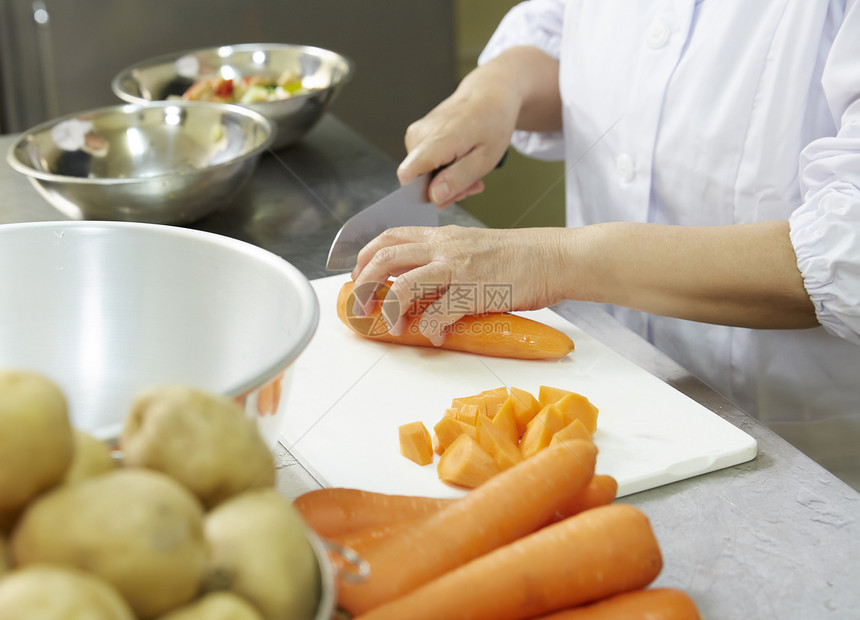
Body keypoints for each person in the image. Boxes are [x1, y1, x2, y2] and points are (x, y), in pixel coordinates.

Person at [351, 0, 860, 490]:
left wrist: (555, 261)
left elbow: (846, 247)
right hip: (609, 379)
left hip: (800, 450)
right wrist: (497, 89)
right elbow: (568, 27)